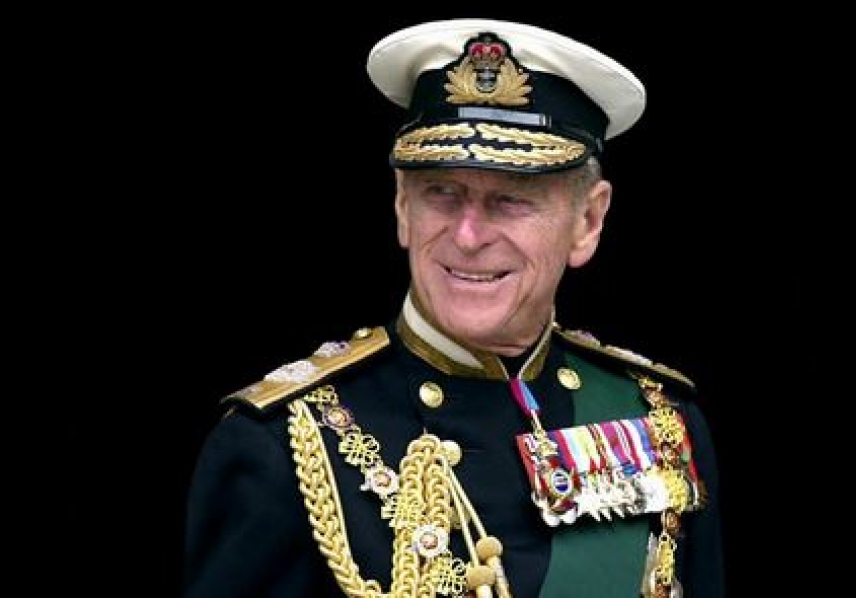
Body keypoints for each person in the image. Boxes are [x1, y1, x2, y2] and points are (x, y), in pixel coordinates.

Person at [184, 18, 725, 598]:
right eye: (442, 193)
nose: (468, 236)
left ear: (587, 222)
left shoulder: (659, 420)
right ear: (402, 206)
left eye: (511, 200)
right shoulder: (280, 446)